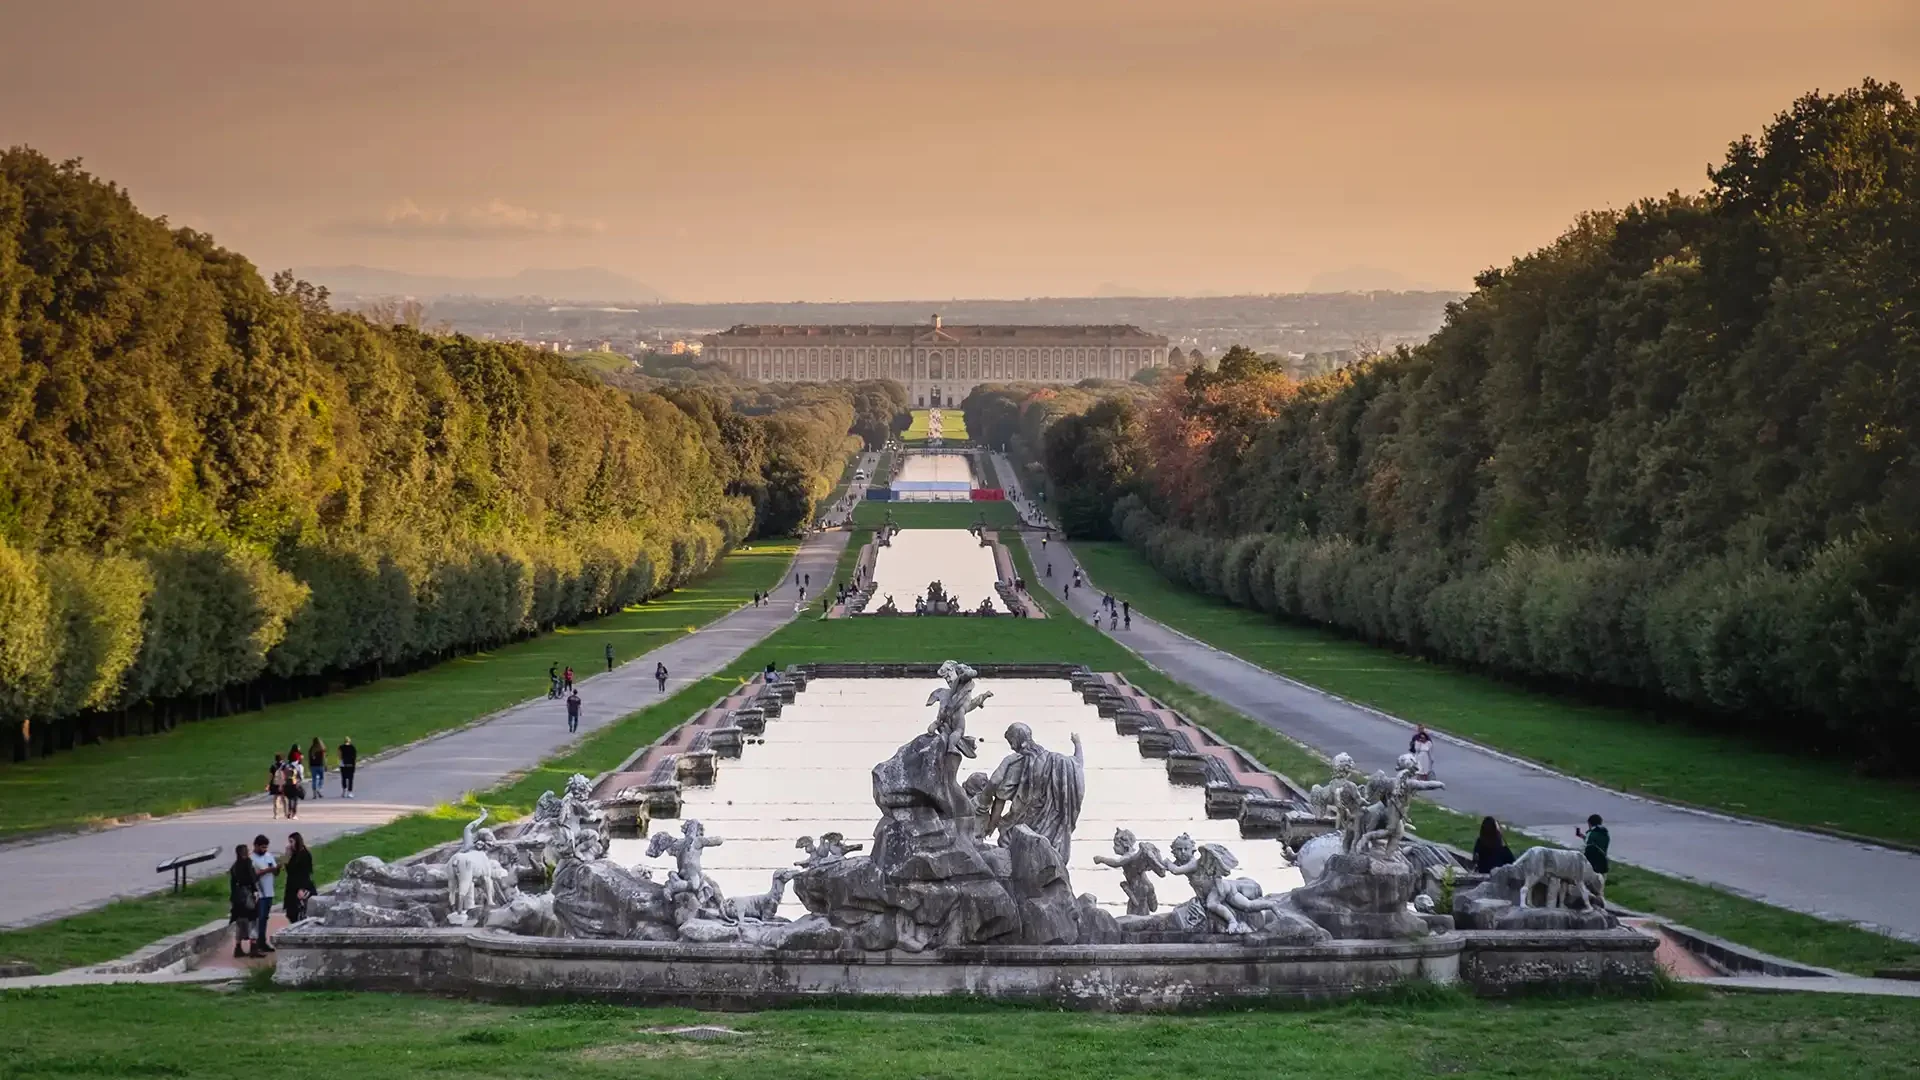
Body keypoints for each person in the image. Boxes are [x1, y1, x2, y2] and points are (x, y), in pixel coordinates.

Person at [250, 834, 279, 953]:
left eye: (266, 847)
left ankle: (262, 941)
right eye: (262, 847)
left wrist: (276, 869)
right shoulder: (251, 859)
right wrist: (267, 870)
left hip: (269, 892)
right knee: (258, 919)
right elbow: (253, 875)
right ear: (255, 846)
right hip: (259, 893)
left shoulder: (269, 856)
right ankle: (255, 942)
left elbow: (275, 872)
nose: (264, 850)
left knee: (265, 918)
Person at [229, 843, 259, 958]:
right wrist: (255, 891)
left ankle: (238, 947)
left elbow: (232, 884)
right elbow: (252, 878)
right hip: (247, 896)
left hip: (237, 898)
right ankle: (253, 947)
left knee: (240, 923)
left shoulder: (234, 867)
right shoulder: (248, 863)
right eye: (246, 851)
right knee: (252, 921)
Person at [283, 832, 314, 925]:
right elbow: (286, 868)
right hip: (292, 886)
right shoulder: (293, 855)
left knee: (298, 911)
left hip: (301, 886)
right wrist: (287, 855)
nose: (290, 844)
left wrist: (302, 888)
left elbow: (305, 873)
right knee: (290, 913)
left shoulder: (305, 855)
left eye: (291, 841)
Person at [282, 753, 304, 820]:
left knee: (289, 799)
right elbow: (299, 777)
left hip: (286, 784)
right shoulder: (295, 767)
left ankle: (289, 812)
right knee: (295, 799)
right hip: (294, 784)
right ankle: (294, 814)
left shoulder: (284, 767)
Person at [268, 754, 286, 818]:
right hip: (283, 783)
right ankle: (286, 813)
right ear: (282, 759)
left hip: (275, 784)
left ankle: (276, 814)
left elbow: (271, 776)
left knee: (276, 799)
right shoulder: (285, 766)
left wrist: (268, 784)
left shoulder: (273, 766)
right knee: (284, 799)